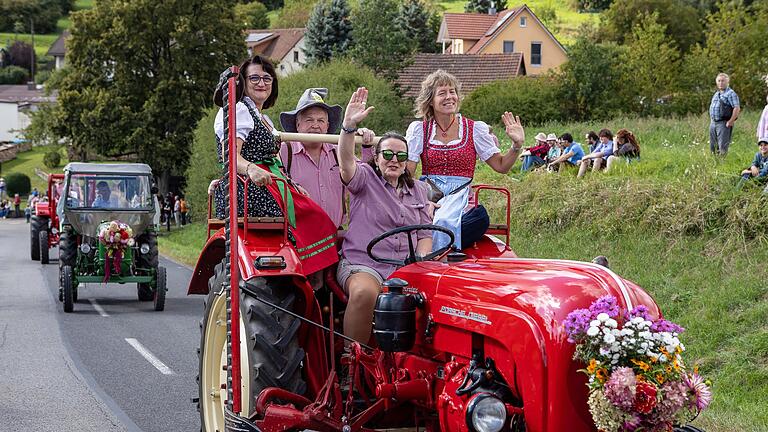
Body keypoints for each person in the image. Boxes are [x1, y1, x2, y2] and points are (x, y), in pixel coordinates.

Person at [211, 55, 338, 277]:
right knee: (316, 219)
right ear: (243, 81)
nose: (262, 83)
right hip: (250, 189)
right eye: (255, 78)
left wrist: (293, 185)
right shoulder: (239, 110)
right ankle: (311, 278)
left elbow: (275, 161)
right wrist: (251, 169)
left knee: (321, 220)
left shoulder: (264, 119)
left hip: (271, 185)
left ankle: (315, 280)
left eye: (267, 78)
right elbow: (230, 155)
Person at [336, 87, 433, 343]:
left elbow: (424, 233)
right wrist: (347, 127)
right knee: (365, 294)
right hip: (364, 264)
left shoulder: (420, 190)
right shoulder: (365, 179)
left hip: (405, 266)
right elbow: (346, 161)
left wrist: (421, 260)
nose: (394, 160)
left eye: (401, 156)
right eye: (387, 154)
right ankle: (353, 359)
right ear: (377, 158)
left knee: (440, 294)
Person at [405, 70, 525, 250]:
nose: (449, 97)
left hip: (460, 198)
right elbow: (408, 173)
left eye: (452, 91)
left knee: (478, 218)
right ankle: (440, 247)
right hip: (429, 193)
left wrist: (517, 145)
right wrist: (421, 200)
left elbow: (501, 166)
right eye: (442, 93)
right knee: (419, 218)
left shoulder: (474, 129)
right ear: (430, 100)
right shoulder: (420, 129)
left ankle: (431, 249)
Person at [278, 87, 375, 228]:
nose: (315, 125)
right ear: (297, 125)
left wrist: (366, 144)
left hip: (334, 236)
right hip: (297, 236)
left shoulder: (339, 152)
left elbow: (366, 179)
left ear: (327, 126)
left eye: (321, 121)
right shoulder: (285, 151)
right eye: (309, 120)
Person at [708, 72, 740, 156]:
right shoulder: (716, 94)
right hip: (713, 123)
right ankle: (714, 164)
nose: (721, 83)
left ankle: (722, 165)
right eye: (719, 81)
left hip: (724, 123)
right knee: (713, 146)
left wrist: (731, 121)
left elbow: (736, 108)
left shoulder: (731, 93)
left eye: (723, 81)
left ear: (727, 82)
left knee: (722, 147)